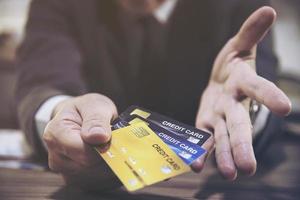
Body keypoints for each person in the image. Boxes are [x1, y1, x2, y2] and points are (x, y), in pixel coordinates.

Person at [15, 0, 291, 189]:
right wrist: (62, 114)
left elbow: (260, 83)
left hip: (217, 182)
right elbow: (42, 82)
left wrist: (246, 108)